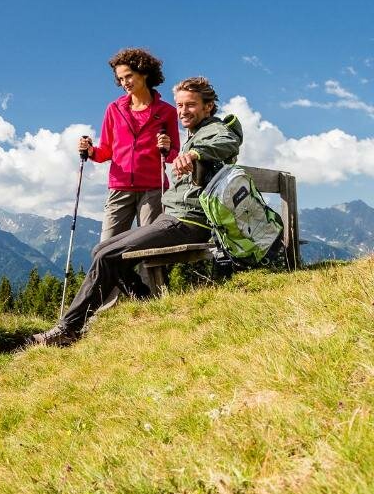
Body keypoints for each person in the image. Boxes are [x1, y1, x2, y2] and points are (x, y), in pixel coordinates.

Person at [31, 76, 242, 347]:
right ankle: (146, 302)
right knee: (101, 250)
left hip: (188, 222)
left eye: (190, 105)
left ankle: (68, 329)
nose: (182, 111)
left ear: (208, 106)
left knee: (107, 255)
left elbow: (229, 141)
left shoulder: (214, 129)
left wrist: (194, 154)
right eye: (179, 105)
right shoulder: (196, 132)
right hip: (173, 217)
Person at [82, 48, 180, 243]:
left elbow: (173, 154)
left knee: (149, 247)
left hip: (153, 190)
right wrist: (90, 151)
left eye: (129, 76)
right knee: (106, 248)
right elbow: (106, 152)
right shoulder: (114, 109)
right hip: (119, 188)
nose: (124, 82)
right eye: (120, 78)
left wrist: (167, 147)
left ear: (144, 73)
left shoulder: (167, 112)